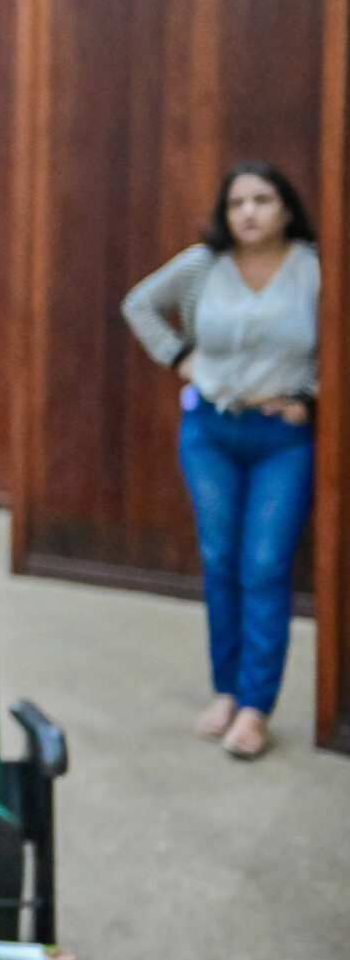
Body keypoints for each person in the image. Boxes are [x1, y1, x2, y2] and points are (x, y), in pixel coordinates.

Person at [122, 160, 320, 760]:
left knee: (265, 564)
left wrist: (312, 398)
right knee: (219, 558)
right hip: (209, 430)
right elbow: (139, 305)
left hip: (280, 438)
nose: (249, 213)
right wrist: (180, 357)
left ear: (286, 208)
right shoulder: (205, 266)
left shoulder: (313, 269)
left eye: (263, 200)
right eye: (237, 204)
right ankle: (227, 691)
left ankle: (257, 707)